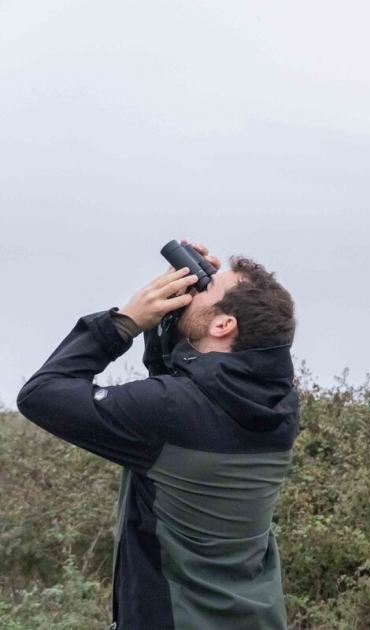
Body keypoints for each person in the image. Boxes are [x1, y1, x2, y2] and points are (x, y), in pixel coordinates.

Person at [17, 242, 299, 630]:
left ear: (223, 325)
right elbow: (182, 384)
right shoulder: (279, 404)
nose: (196, 290)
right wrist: (179, 315)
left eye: (206, 289)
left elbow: (41, 395)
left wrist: (125, 323)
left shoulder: (171, 412)